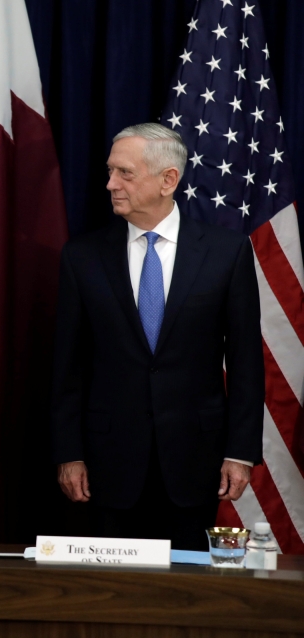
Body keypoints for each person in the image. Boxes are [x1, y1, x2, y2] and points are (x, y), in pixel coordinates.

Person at [51, 123, 264, 550]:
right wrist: (68, 453)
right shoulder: (82, 256)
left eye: (124, 173)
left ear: (168, 180)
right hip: (107, 465)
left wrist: (240, 453)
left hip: (194, 463)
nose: (111, 184)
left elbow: (245, 362)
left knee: (187, 597)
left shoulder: (227, 252)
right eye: (111, 172)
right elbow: (67, 367)